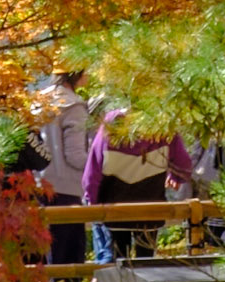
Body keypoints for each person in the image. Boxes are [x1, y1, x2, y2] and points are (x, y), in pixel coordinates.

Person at [82, 108, 193, 263]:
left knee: (117, 264)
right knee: (146, 263)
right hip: (151, 209)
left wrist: (93, 204)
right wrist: (175, 177)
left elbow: (91, 175)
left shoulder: (111, 126)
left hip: (114, 210)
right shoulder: (161, 125)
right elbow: (184, 165)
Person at [35, 72, 94, 282]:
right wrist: (100, 165)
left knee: (44, 253)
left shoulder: (38, 101)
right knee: (71, 257)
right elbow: (76, 155)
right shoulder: (74, 106)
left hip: (39, 185)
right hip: (67, 187)